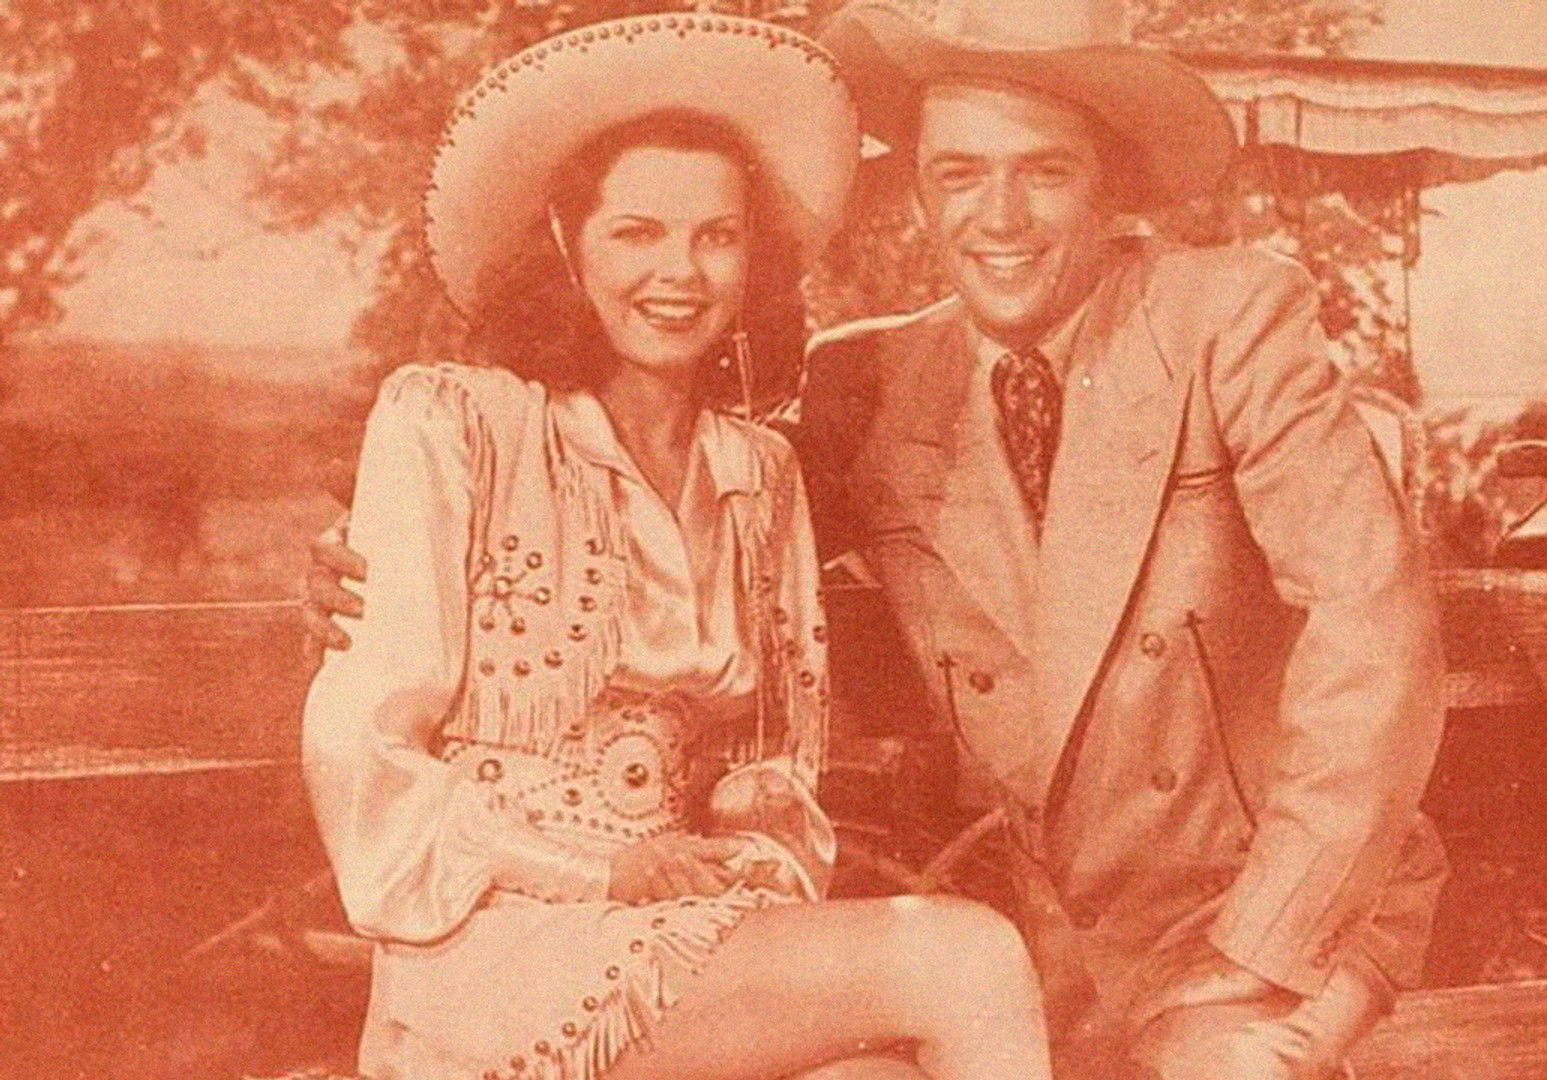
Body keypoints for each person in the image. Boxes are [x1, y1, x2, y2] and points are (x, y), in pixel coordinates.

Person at [300, 16, 1050, 1080]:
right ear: (568, 242)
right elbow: (364, 753)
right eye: (637, 233)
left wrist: (726, 864)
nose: (680, 273)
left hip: (681, 937)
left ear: (753, 257)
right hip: (491, 945)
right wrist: (599, 872)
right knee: (968, 958)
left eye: (716, 236)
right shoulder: (452, 421)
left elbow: (774, 774)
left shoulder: (760, 473)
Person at [796, 3, 1449, 1077]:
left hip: (1260, 914)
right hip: (1032, 942)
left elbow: (1370, 628)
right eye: (959, 174)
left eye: (1044, 172)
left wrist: (1261, 947)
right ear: (918, 193)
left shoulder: (1226, 317)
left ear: (1111, 185)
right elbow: (718, 552)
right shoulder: (863, 381)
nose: (999, 217)